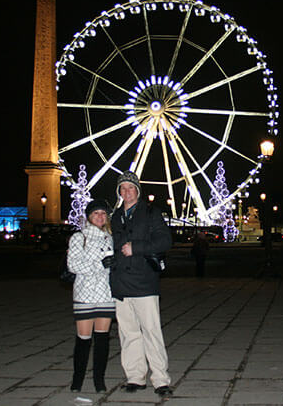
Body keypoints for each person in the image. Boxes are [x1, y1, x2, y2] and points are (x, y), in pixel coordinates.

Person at [110, 170, 173, 397]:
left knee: (151, 331)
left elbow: (165, 240)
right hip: (121, 283)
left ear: (137, 190)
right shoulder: (115, 217)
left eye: (130, 187)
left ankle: (160, 379)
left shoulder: (151, 212)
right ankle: (135, 376)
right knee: (128, 333)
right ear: (119, 191)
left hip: (144, 281)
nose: (127, 192)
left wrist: (136, 248)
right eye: (123, 188)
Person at [67, 199, 116, 393]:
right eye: (96, 213)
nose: (100, 216)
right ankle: (77, 380)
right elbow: (74, 265)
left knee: (102, 340)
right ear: (89, 216)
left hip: (105, 294)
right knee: (83, 339)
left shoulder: (110, 238)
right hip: (85, 294)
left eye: (103, 213)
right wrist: (100, 265)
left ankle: (99, 380)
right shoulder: (79, 237)